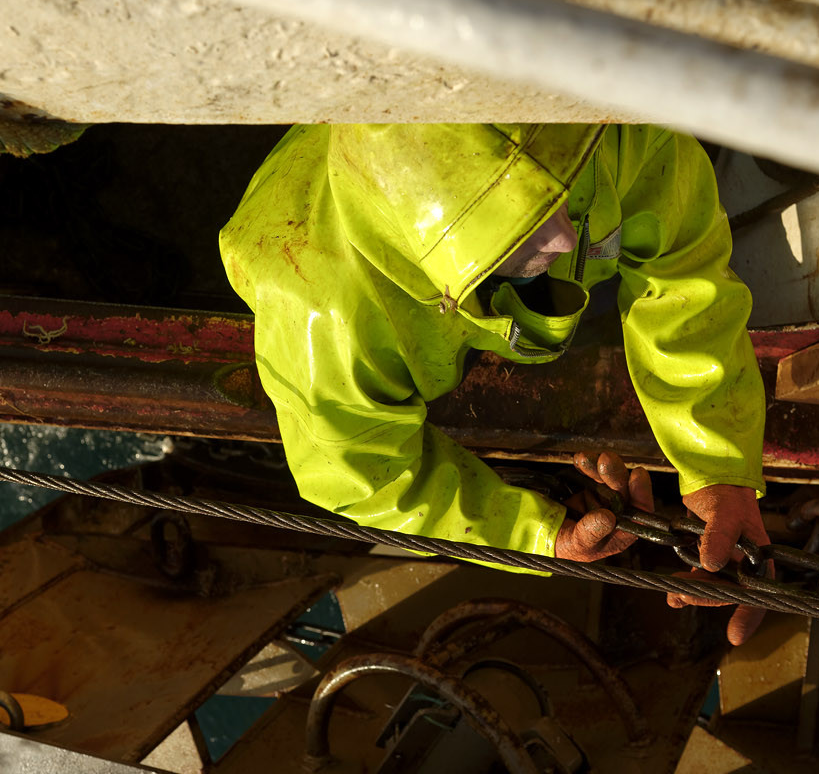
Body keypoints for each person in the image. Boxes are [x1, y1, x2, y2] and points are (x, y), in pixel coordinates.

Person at [219, 123, 769, 645]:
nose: (559, 239)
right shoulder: (324, 311)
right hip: (311, 244)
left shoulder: (603, 132)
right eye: (523, 234)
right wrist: (534, 535)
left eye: (554, 197)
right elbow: (362, 470)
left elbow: (682, 279)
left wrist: (719, 468)